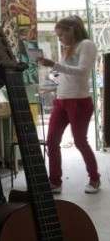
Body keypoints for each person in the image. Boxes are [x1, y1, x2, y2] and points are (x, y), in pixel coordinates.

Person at [37, 15, 101, 194]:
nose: (59, 39)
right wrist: (52, 73)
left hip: (79, 101)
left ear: (71, 30)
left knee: (80, 141)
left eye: (61, 35)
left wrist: (55, 65)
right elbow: (65, 73)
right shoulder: (68, 48)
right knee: (51, 141)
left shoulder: (86, 44)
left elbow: (82, 72)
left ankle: (95, 178)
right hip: (61, 99)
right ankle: (55, 181)